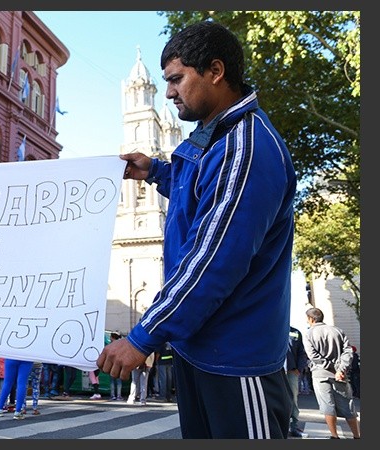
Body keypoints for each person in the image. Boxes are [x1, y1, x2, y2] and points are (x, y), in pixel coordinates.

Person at [96, 20, 297, 439]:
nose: (169, 92)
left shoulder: (245, 147)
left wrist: (142, 336)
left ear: (216, 72)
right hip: (199, 348)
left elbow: (214, 260)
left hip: (236, 358)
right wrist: (155, 173)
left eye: (176, 79)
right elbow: (202, 194)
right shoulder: (212, 139)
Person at [302, 307, 361, 439]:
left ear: (311, 319)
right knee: (348, 405)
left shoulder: (309, 334)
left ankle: (335, 436)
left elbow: (313, 356)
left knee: (327, 405)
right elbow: (348, 351)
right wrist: (340, 369)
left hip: (321, 374)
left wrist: (331, 368)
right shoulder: (337, 330)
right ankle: (357, 436)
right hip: (340, 375)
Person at [286, 326, 308, 437]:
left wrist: (299, 369)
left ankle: (293, 426)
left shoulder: (295, 332)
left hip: (291, 371)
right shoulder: (271, 327)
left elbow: (301, 352)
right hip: (274, 371)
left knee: (293, 398)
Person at [107, 332, 124, 401]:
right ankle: (119, 395)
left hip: (111, 365)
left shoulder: (110, 346)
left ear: (112, 337)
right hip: (119, 365)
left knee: (112, 381)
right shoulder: (121, 346)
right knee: (119, 381)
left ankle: (112, 395)